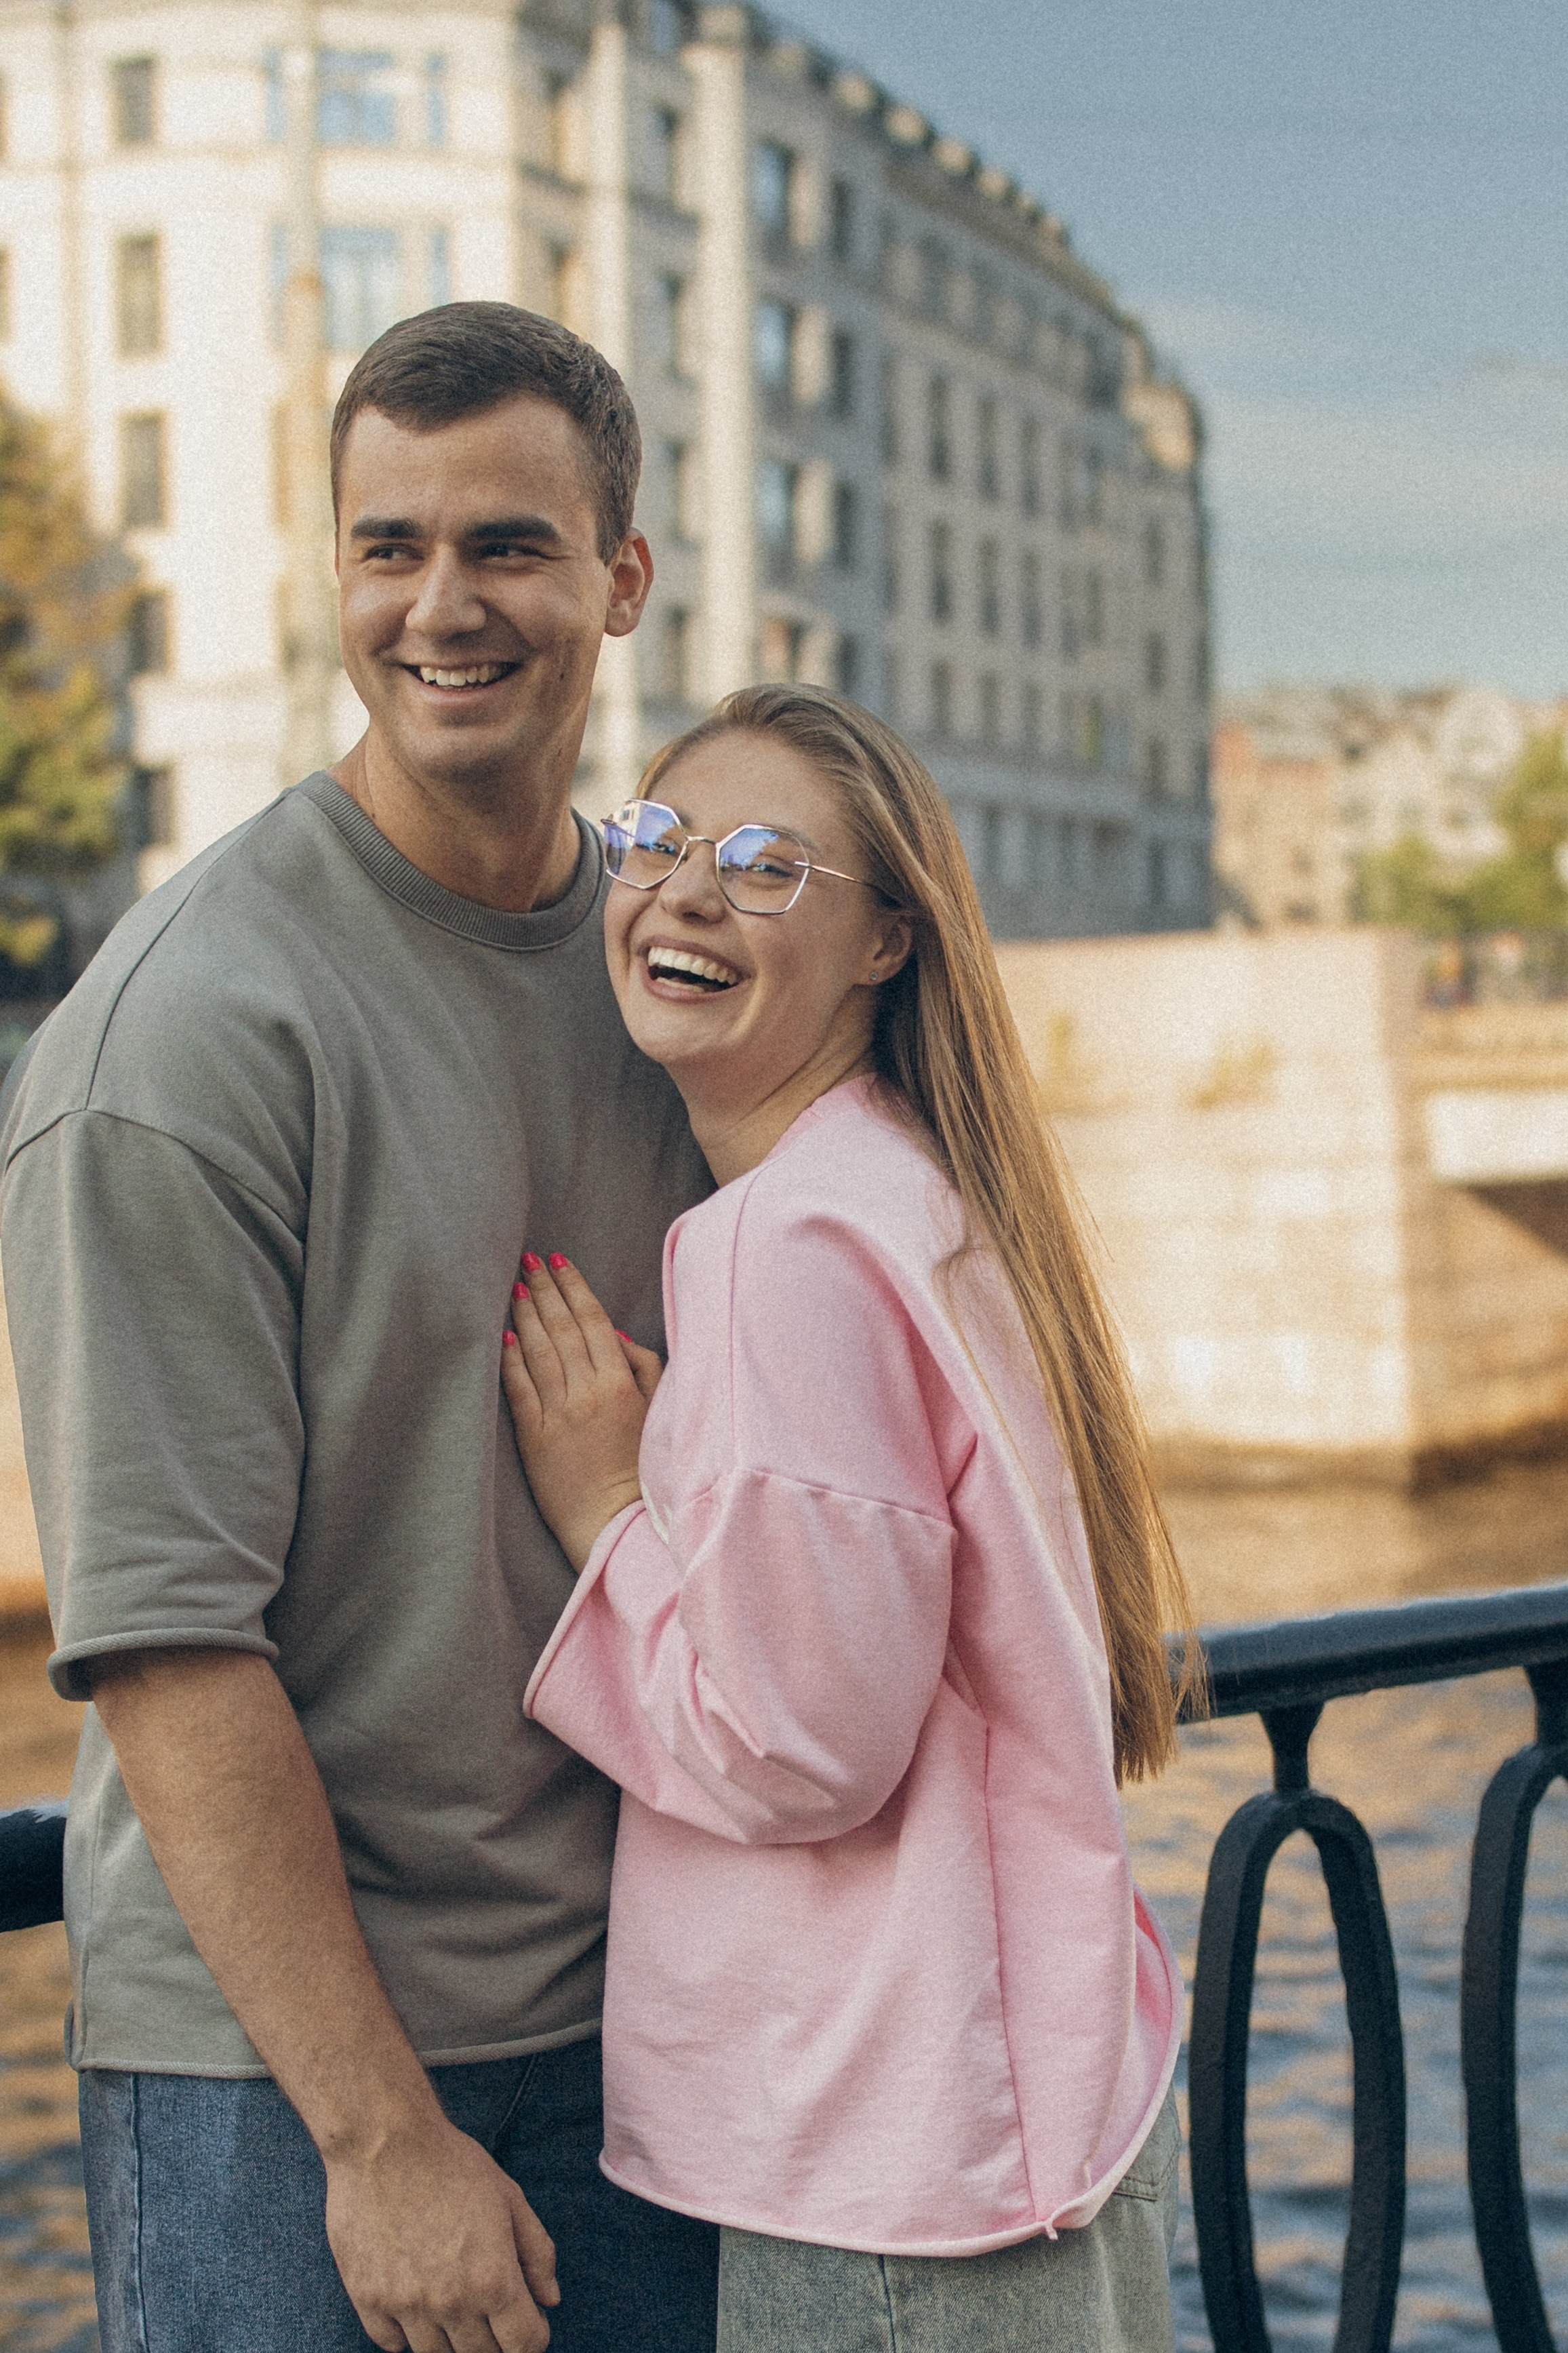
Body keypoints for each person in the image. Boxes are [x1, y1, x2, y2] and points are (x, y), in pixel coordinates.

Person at [0, 304, 719, 2352]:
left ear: (622, 580)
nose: (441, 605)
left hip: (650, 2023)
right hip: (288, 2083)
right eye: (387, 546)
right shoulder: (183, 1037)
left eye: (508, 545)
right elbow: (168, 1638)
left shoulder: (674, 973)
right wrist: (378, 2133)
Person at [494, 684, 1201, 2353]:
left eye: (761, 865)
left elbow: (800, 1747)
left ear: (887, 939)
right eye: (656, 840)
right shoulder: (908, 1189)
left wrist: (606, 1513)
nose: (681, 892)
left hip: (892, 2150)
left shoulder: (786, 1241)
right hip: (1025, 2090)